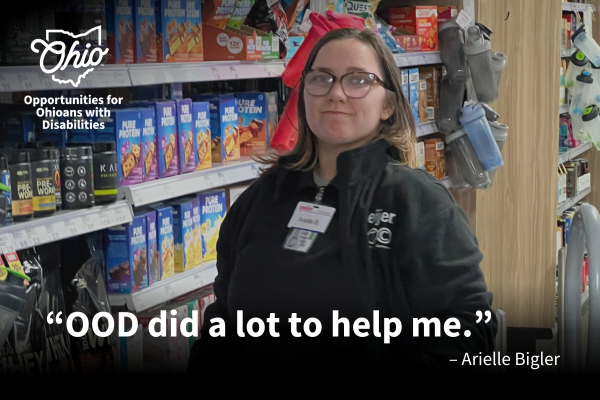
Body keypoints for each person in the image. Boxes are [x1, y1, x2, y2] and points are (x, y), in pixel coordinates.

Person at [188, 28, 497, 371]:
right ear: (304, 93)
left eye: (358, 80)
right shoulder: (260, 199)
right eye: (322, 78)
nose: (336, 93)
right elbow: (224, 322)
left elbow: (468, 325)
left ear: (388, 105)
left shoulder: (417, 203)